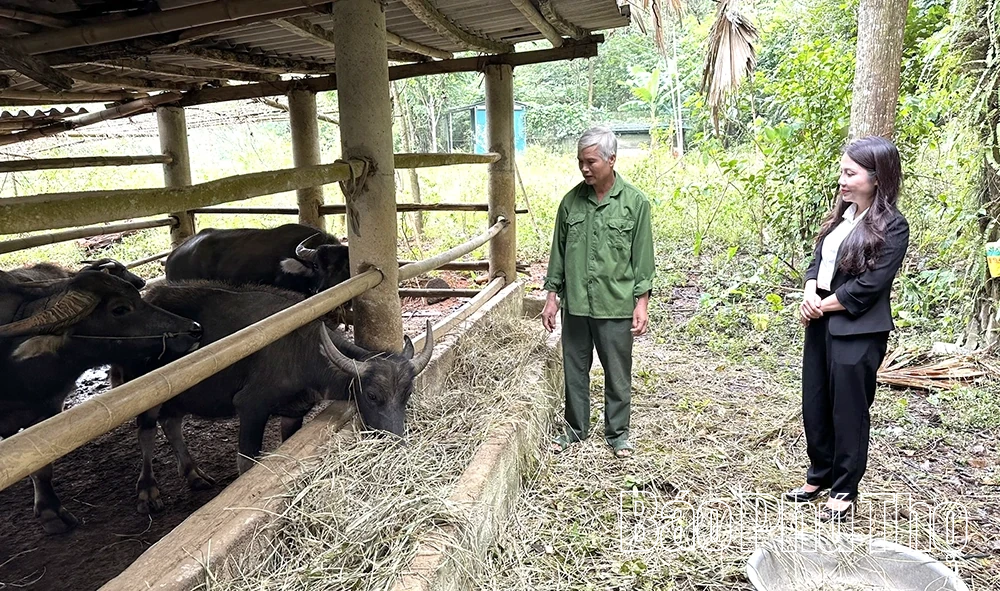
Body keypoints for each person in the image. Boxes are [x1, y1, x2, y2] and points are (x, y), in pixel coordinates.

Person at [785, 136, 910, 522]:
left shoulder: (893, 226)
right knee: (816, 401)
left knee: (849, 408)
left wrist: (821, 304)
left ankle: (844, 487)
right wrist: (809, 292)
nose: (841, 180)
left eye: (849, 173)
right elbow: (817, 263)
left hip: (856, 329)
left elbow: (870, 285)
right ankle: (819, 475)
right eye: (842, 171)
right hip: (821, 319)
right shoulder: (842, 214)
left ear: (876, 178)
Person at [541, 126, 656, 459]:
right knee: (574, 370)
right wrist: (551, 296)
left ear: (611, 160)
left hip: (615, 304)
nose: (584, 168)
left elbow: (643, 257)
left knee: (617, 374)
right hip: (576, 303)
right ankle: (575, 431)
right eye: (580, 161)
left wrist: (642, 302)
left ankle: (618, 434)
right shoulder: (570, 203)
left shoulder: (635, 203)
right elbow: (558, 253)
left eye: (591, 161)